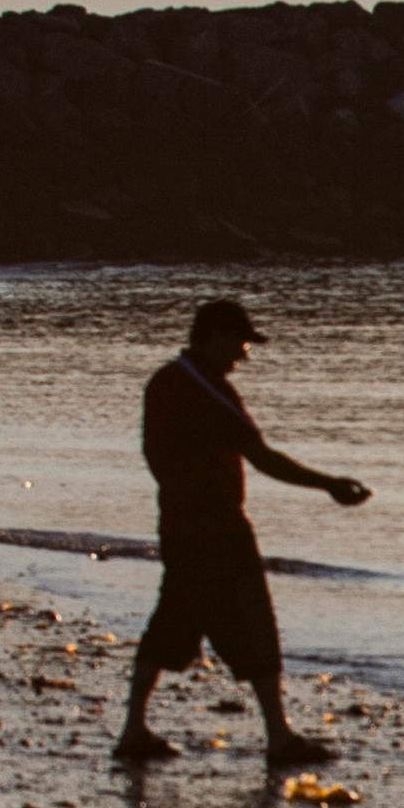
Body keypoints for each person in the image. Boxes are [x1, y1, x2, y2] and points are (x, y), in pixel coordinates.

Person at [111, 298, 371, 777]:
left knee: (171, 622)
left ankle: (133, 730)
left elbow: (157, 457)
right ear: (212, 336)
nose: (243, 355)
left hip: (178, 523)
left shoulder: (164, 383)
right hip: (217, 528)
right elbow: (262, 456)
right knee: (253, 622)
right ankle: (278, 736)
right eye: (240, 343)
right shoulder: (204, 390)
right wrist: (329, 484)